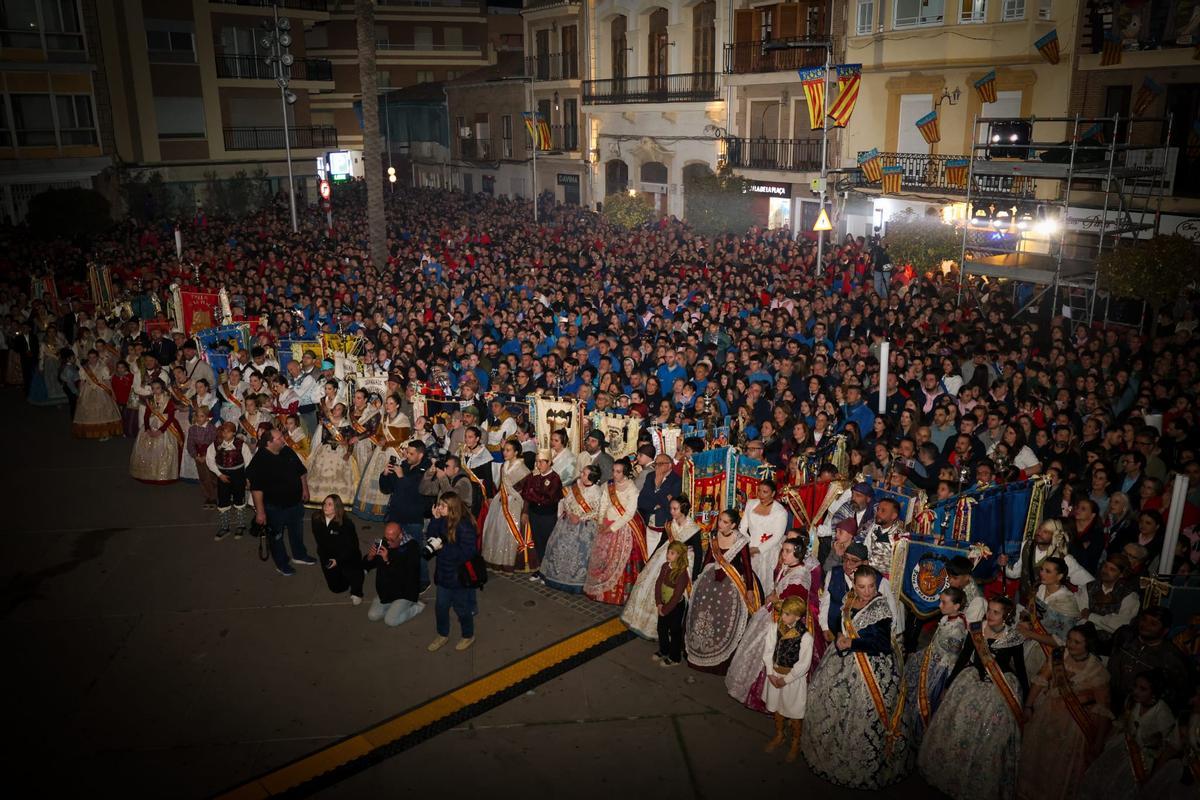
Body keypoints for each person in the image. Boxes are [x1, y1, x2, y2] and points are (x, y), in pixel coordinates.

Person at [802, 564, 911, 789]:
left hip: (870, 667)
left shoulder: (880, 608)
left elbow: (881, 644)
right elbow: (839, 623)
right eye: (862, 587)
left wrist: (852, 642)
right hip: (842, 659)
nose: (867, 591)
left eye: (871, 586)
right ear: (855, 585)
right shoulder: (850, 599)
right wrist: (841, 636)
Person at [1017, 623, 1114, 800]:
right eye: (1069, 639)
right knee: (1040, 758)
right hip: (1047, 712)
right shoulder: (1058, 655)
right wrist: (1029, 706)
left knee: (1060, 765)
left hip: (1075, 725)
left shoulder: (1097, 671)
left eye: (1077, 642)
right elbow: (1040, 681)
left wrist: (1098, 742)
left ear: (1088, 644)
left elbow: (1103, 711)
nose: (1070, 644)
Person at [726, 535, 825, 709]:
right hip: (773, 613)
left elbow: (794, 605)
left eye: (788, 551)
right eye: (783, 550)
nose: (783, 555)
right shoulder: (788, 568)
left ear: (799, 554)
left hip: (784, 621)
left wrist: (775, 599)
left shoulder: (800, 577)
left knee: (768, 651)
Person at [1079, 670, 1177, 799]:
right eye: (1135, 686)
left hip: (1144, 763)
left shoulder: (1162, 712)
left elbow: (1169, 745)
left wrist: (1155, 773)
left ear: (1154, 692)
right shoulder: (1132, 702)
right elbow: (1122, 725)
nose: (1136, 691)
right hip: (1124, 751)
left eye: (1143, 689)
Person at [685, 508, 761, 674]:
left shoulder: (741, 540)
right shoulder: (714, 535)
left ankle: (722, 659)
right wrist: (700, 578)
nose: (720, 524)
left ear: (733, 525)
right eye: (720, 520)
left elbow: (747, 566)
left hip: (732, 581)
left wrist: (749, 589)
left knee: (725, 615)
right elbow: (708, 559)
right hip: (712, 576)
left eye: (725, 522)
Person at [623, 496, 700, 638]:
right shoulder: (669, 524)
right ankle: (642, 622)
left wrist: (695, 576)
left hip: (683, 561)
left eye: (675, 509)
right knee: (648, 585)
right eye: (671, 508)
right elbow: (662, 542)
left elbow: (699, 552)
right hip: (664, 556)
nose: (671, 511)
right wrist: (650, 559)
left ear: (683, 509)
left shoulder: (693, 529)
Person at [903, 587, 970, 744]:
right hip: (931, 659)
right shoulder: (948, 618)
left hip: (940, 669)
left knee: (925, 702)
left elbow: (952, 660)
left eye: (944, 603)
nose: (940, 606)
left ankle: (920, 737)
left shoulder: (957, 629)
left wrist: (946, 685)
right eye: (940, 601)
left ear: (956, 606)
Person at [247, 427, 315, 577]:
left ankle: (299, 555)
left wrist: (305, 489)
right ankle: (282, 563)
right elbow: (256, 489)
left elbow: (301, 471)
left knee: (297, 531)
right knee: (276, 537)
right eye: (279, 439)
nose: (283, 440)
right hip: (274, 508)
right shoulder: (260, 460)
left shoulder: (286, 451)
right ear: (269, 443)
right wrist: (260, 512)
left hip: (295, 503)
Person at [758, 595, 815, 763]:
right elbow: (768, 650)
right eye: (782, 613)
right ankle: (779, 734)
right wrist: (770, 672)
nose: (782, 617)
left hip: (792, 681)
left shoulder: (806, 637)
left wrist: (786, 679)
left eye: (787, 614)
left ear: (797, 616)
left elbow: (804, 664)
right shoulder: (775, 628)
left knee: (794, 710)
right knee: (777, 706)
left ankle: (796, 741)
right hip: (775, 675)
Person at [1109, 607, 1196, 713]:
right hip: (1112, 701)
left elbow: (1178, 694)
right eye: (1144, 619)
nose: (1145, 625)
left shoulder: (1171, 657)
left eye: (1153, 624)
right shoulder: (1125, 639)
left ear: (1165, 631)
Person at [584, 458, 646, 605]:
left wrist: (611, 528)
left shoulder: (632, 489)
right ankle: (599, 589)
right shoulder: (608, 485)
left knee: (620, 560)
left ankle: (618, 594)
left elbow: (629, 514)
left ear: (625, 473)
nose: (614, 474)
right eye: (613, 471)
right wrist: (600, 521)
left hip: (623, 527)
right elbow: (604, 503)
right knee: (603, 558)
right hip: (606, 522)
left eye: (618, 471)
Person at [426, 492, 479, 652]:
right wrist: (434, 520)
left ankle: (468, 635)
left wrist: (444, 550)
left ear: (452, 508)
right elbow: (431, 537)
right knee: (440, 607)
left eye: (442, 506)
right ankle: (442, 634)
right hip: (444, 575)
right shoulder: (443, 520)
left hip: (459, 578)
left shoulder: (464, 526)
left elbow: (469, 552)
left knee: (462, 609)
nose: (439, 508)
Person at [1018, 555, 1087, 676]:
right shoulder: (1040, 588)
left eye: (1048, 571)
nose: (1042, 574)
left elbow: (1062, 641)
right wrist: (1026, 620)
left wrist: (1030, 634)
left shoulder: (1067, 601)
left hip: (1049, 652)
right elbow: (1031, 613)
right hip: (1031, 638)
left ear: (1059, 576)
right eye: (1042, 569)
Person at [540, 464, 603, 593]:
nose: (581, 475)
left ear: (591, 477)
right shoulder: (576, 485)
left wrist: (580, 518)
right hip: (567, 522)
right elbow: (566, 501)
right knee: (557, 547)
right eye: (582, 472)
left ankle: (576, 583)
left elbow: (598, 511)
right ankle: (555, 577)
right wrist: (569, 513)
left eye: (584, 474)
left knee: (581, 553)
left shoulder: (597, 491)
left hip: (585, 526)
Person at [378, 440, 432, 588]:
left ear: (420, 455)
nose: (407, 455)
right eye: (407, 452)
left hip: (413, 517)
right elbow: (387, 488)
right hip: (396, 515)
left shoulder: (427, 470)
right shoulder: (404, 465)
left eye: (411, 453)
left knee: (416, 550)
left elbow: (416, 492)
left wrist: (402, 477)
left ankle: (423, 580)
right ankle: (398, 574)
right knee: (395, 547)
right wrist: (385, 474)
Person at [353, 393, 411, 521]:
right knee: (373, 478)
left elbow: (403, 439)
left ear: (397, 405)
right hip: (380, 451)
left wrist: (387, 443)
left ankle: (388, 511)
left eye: (391, 403)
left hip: (394, 453)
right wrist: (380, 440)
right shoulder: (384, 418)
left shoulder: (403, 419)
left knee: (390, 480)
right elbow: (378, 433)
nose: (388, 406)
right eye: (386, 403)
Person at [480, 438, 533, 572]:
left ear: (516, 452)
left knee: (509, 532)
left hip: (514, 503)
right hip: (501, 500)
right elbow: (501, 485)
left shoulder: (524, 470)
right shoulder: (504, 465)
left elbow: (527, 493)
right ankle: (495, 560)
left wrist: (525, 511)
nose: (504, 452)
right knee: (496, 530)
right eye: (504, 450)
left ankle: (508, 562)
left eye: (508, 450)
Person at [363, 521, 424, 626]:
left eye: (391, 540)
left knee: (390, 621)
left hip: (404, 592)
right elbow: (367, 565)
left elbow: (406, 577)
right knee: (372, 616)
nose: (388, 543)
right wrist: (370, 557)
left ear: (400, 536)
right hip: (386, 592)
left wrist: (387, 561)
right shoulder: (385, 542)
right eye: (386, 538)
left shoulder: (412, 547)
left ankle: (417, 607)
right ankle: (394, 608)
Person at [516, 448, 563, 574]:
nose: (538, 465)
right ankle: (541, 568)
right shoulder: (533, 475)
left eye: (542, 462)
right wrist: (525, 511)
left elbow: (548, 499)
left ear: (549, 463)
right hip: (534, 513)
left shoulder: (555, 478)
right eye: (537, 462)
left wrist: (533, 493)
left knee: (548, 542)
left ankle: (550, 570)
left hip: (548, 515)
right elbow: (525, 493)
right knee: (537, 541)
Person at [312, 494, 364, 604]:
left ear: (337, 507)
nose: (325, 506)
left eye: (330, 504)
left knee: (354, 573)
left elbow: (353, 547)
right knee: (337, 589)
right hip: (328, 556)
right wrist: (325, 558)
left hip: (346, 555)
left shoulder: (346, 525)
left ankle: (357, 591)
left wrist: (338, 560)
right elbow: (319, 541)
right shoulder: (316, 518)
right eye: (325, 503)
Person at [129, 379, 183, 485]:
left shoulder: (168, 399)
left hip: (166, 426)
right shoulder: (150, 400)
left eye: (157, 388)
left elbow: (171, 418)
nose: (155, 390)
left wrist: (161, 431)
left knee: (165, 449)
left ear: (162, 388)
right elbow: (146, 415)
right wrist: (147, 429)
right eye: (153, 388)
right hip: (151, 423)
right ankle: (148, 473)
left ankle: (164, 473)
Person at [306, 402, 359, 510]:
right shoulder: (326, 422)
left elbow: (350, 442)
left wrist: (348, 453)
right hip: (326, 450)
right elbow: (324, 438)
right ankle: (319, 499)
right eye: (334, 408)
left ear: (343, 413)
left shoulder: (346, 425)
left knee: (339, 476)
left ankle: (339, 502)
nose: (335, 410)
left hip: (341, 452)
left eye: (338, 409)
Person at [740, 479, 790, 594]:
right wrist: (747, 545)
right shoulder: (751, 504)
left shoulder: (780, 511)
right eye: (759, 491)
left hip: (768, 550)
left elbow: (777, 536)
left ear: (773, 494)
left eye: (765, 492)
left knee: (762, 584)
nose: (761, 495)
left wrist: (758, 549)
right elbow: (742, 528)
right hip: (748, 546)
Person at [205, 421, 253, 540]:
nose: (224, 434)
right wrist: (219, 474)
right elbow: (210, 460)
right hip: (223, 475)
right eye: (223, 431)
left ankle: (241, 525)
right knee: (223, 499)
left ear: (233, 433)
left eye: (227, 431)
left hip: (238, 475)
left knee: (239, 499)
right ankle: (224, 527)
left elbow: (248, 462)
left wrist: (247, 478)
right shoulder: (216, 444)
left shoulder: (241, 445)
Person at [653, 541, 691, 668]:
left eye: (672, 553)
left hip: (675, 607)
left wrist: (666, 609)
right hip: (663, 604)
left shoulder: (682, 573)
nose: (668, 555)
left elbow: (676, 596)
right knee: (661, 628)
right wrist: (659, 603)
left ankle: (675, 657)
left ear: (679, 555)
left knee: (674, 631)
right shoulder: (665, 566)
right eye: (668, 552)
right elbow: (658, 584)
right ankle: (664, 650)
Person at [637, 452, 682, 554]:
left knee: (662, 555)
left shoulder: (676, 480)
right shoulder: (650, 476)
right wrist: (656, 504)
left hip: (665, 524)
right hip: (649, 522)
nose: (657, 467)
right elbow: (641, 501)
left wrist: (656, 491)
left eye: (660, 464)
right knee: (649, 555)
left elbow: (669, 504)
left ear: (669, 465)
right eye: (655, 464)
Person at [72, 349, 122, 440]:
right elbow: (82, 382)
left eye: (94, 357)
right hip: (87, 390)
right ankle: (90, 431)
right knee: (88, 411)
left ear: (97, 357)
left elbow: (107, 381)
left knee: (103, 412)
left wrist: (112, 393)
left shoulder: (103, 367)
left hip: (102, 391)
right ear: (87, 358)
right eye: (90, 357)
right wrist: (80, 394)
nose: (92, 359)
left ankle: (105, 433)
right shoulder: (84, 368)